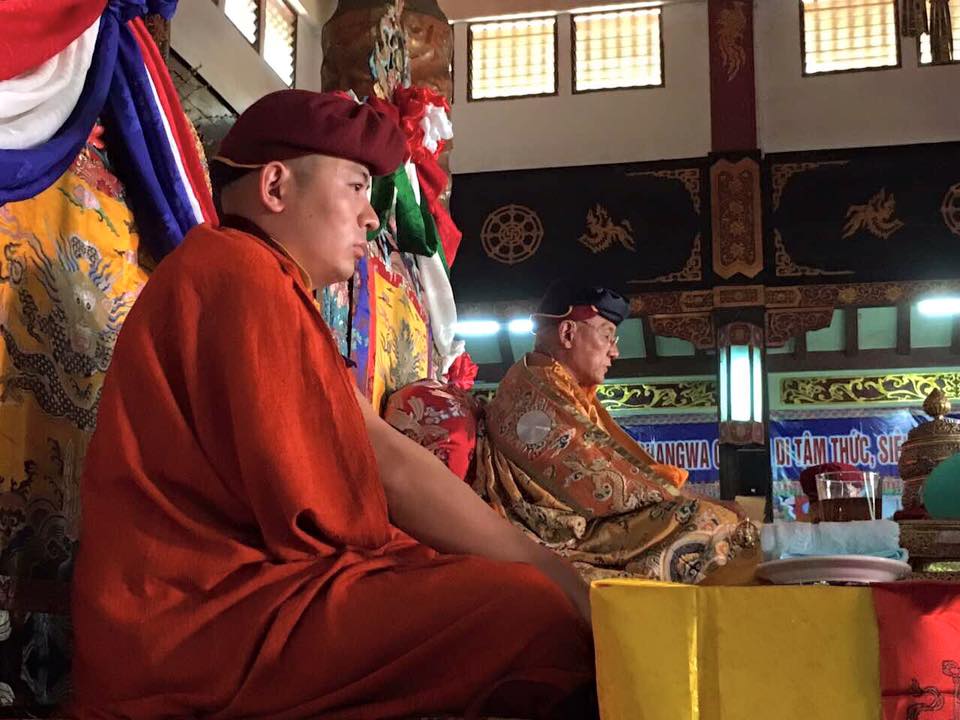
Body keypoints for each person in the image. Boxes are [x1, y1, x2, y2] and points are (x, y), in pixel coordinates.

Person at [70, 90, 596, 719]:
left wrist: (539, 561)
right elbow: (333, 509)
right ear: (275, 186)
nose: (371, 219)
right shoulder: (241, 275)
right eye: (355, 187)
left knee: (519, 590)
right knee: (528, 616)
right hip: (198, 624)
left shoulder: (260, 280)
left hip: (220, 606)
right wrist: (540, 574)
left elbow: (380, 452)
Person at [477, 282, 759, 584]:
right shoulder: (538, 387)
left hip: (582, 521)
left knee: (710, 519)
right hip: (556, 535)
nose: (615, 351)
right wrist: (694, 499)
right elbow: (606, 480)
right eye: (607, 336)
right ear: (568, 333)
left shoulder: (557, 383)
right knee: (710, 521)